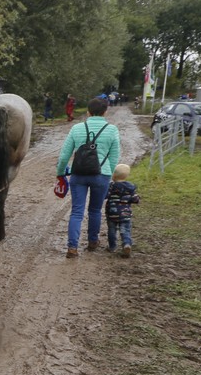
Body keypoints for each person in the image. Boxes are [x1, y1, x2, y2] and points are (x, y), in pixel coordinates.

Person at [56, 97, 121, 258]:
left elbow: (64, 156)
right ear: (105, 112)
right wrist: (108, 175)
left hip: (78, 174)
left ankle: (72, 247)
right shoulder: (112, 130)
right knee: (95, 210)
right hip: (102, 175)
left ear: (88, 112)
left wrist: (60, 172)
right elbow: (114, 157)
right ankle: (92, 241)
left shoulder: (76, 128)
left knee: (77, 211)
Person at [105, 163, 141, 258]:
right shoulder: (130, 187)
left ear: (114, 175)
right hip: (125, 213)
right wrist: (136, 199)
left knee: (112, 230)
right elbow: (135, 199)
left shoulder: (111, 186)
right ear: (126, 176)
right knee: (125, 230)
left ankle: (112, 247)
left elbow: (105, 196)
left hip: (112, 213)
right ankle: (126, 244)